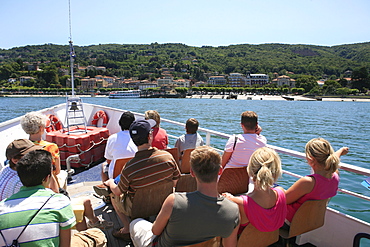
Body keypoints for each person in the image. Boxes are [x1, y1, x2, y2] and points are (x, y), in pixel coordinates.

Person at [129, 145, 240, 247]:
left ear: (192, 172)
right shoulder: (233, 210)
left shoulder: (174, 201)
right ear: (220, 170)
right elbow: (229, 245)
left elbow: (155, 231)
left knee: (135, 223)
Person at [0, 139, 112, 231]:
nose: (34, 156)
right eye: (30, 154)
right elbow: (55, 196)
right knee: (82, 207)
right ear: (15, 160)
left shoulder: (6, 170)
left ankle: (92, 224)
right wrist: (49, 171)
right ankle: (87, 232)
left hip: (18, 217)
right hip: (32, 220)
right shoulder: (24, 179)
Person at [104, 119, 180, 240]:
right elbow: (176, 182)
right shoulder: (167, 157)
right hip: (163, 203)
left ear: (133, 140)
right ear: (150, 136)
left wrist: (110, 182)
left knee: (113, 195)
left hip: (137, 208)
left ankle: (126, 228)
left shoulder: (130, 167)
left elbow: (118, 192)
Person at [0, 149, 75, 247]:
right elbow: (65, 245)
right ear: (47, 178)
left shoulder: (2, 207)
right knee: (94, 235)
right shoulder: (60, 202)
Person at [223, 147, 286, 237]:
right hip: (267, 241)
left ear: (250, 170)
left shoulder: (241, 203)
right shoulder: (281, 193)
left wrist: (229, 199)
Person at [285, 138, 349, 223]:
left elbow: (284, 200)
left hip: (289, 221)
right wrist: (341, 151)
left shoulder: (308, 182)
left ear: (311, 159)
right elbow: (333, 159)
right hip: (308, 221)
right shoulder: (335, 176)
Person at [218, 111, 266, 194]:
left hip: (226, 181)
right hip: (245, 184)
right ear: (256, 124)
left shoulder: (235, 139)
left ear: (241, 125)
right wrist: (258, 131)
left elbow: (222, 163)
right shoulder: (262, 141)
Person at [93, 111, 137, 198]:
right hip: (134, 173)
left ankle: (109, 194)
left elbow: (108, 160)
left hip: (116, 175)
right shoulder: (138, 138)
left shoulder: (112, 138)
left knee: (103, 166)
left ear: (120, 123)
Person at [20, 111, 67, 192]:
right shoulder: (51, 147)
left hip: (31, 183)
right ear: (41, 128)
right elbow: (57, 171)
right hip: (49, 185)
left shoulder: (22, 147)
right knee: (63, 174)